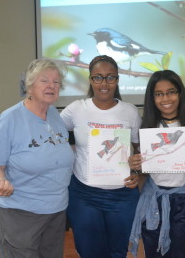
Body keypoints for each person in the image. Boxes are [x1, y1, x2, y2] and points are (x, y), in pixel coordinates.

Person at [0, 59, 75, 258]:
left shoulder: (54, 115)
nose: (51, 86)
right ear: (30, 86)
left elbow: (58, 153)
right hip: (21, 212)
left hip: (56, 210)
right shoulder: (10, 119)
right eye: (44, 81)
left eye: (56, 82)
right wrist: (1, 180)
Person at [60, 55, 142, 258]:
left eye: (110, 77)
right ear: (90, 80)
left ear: (117, 79)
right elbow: (52, 134)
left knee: (118, 252)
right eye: (98, 77)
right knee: (90, 252)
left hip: (123, 195)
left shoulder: (130, 112)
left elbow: (141, 152)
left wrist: (137, 171)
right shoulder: (76, 109)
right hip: (84, 194)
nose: (104, 83)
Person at [129, 70, 185, 258]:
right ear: (152, 98)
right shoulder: (147, 127)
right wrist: (135, 165)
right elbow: (143, 169)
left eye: (171, 92)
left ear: (180, 94)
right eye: (158, 94)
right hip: (153, 200)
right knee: (154, 253)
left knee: (184, 253)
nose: (165, 98)